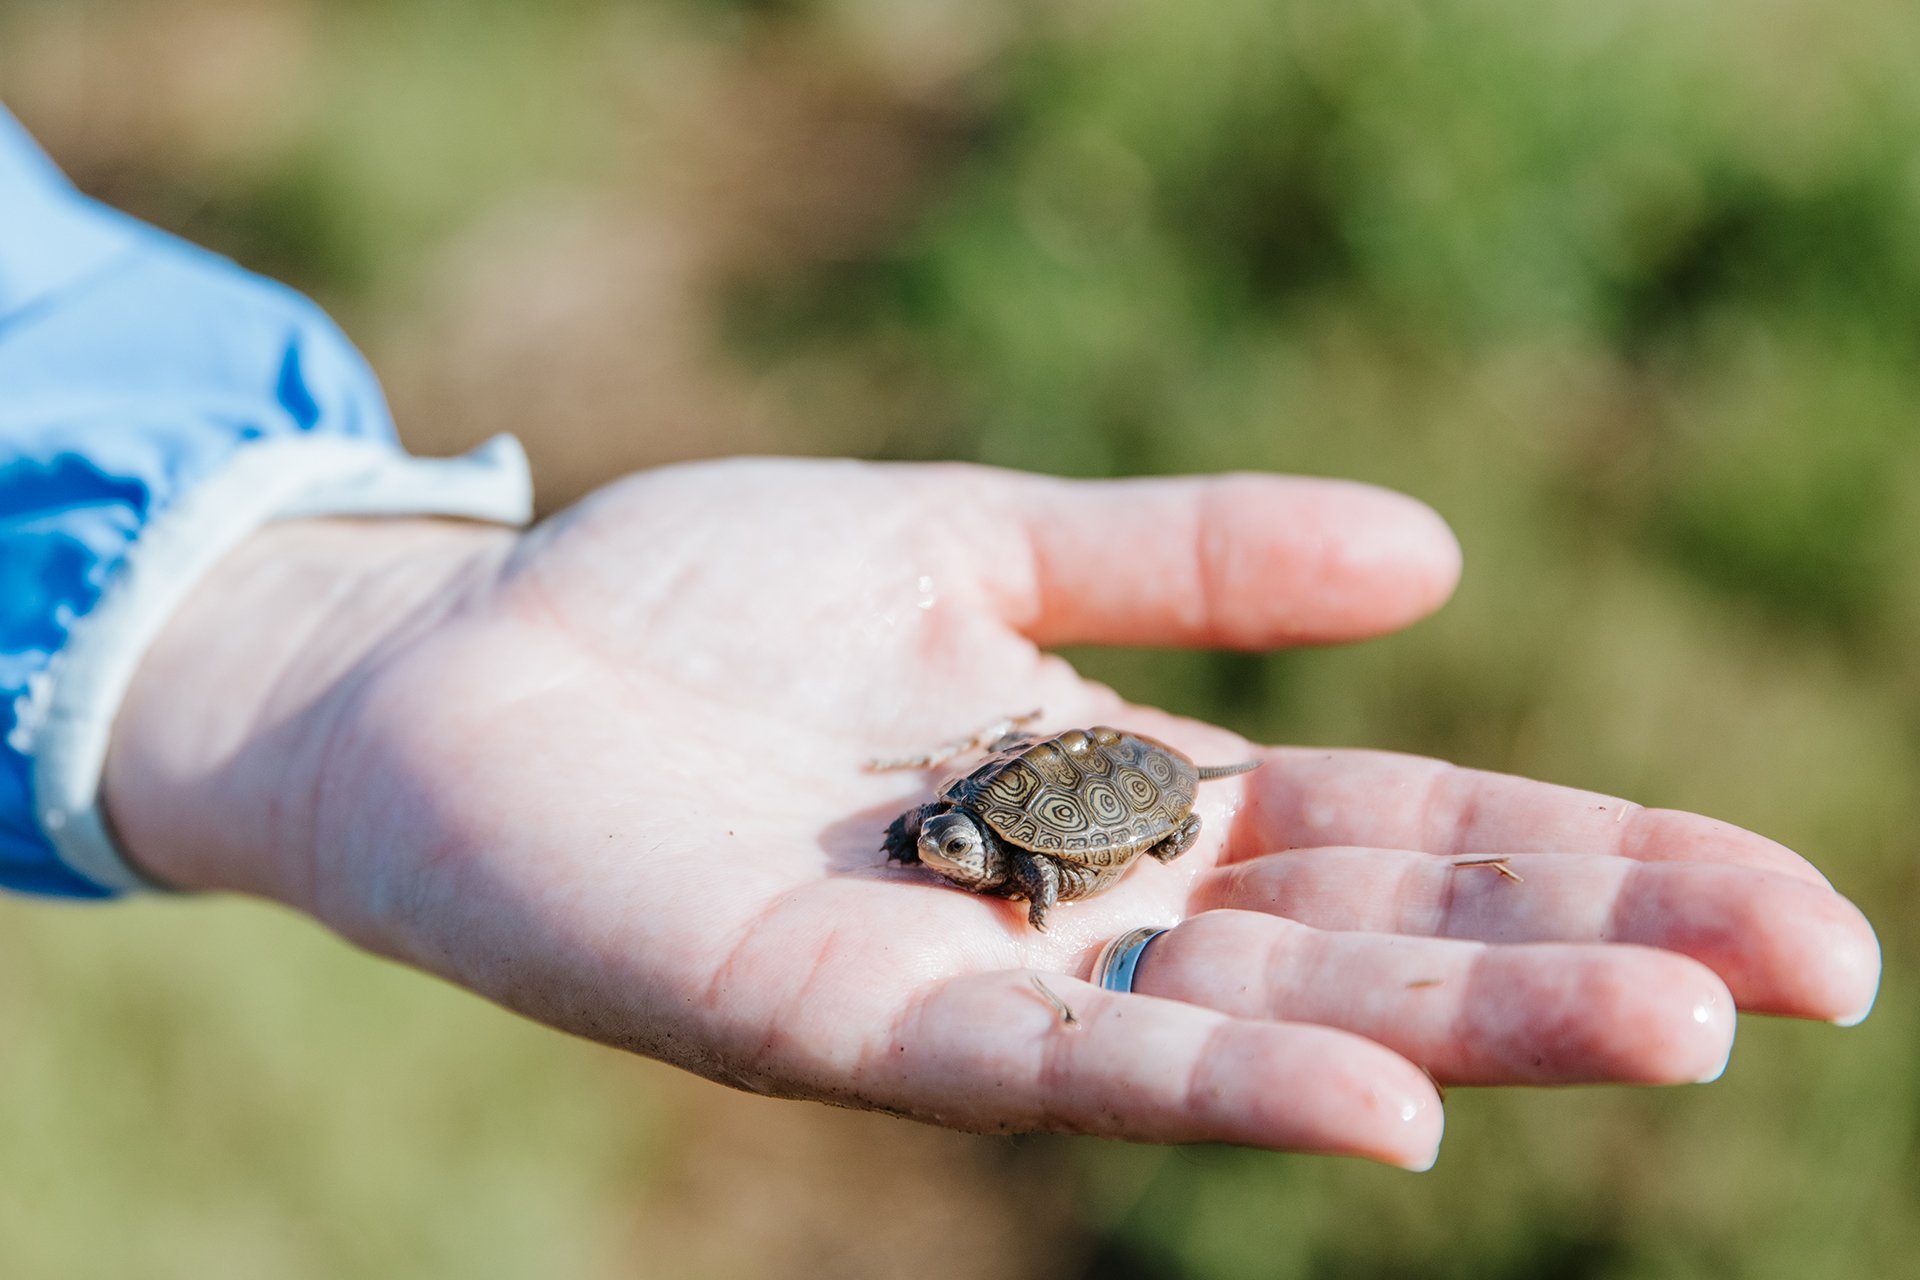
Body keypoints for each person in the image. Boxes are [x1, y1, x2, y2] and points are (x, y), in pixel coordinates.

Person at [0, 107, 1878, 1172]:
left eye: (954, 848)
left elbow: (1076, 819)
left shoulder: (1045, 841)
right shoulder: (959, 827)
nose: (940, 852)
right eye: (952, 848)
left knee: (1132, 839)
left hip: (1121, 800)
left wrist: (311, 605)